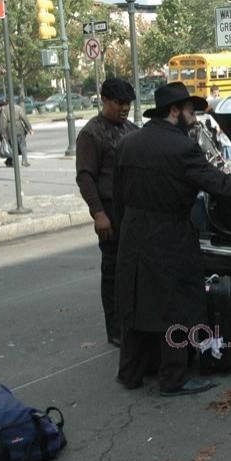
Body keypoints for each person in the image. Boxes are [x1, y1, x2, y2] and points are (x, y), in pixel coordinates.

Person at [113, 82, 231, 396]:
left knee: (136, 301)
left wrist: (126, 229)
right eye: (190, 111)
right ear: (174, 111)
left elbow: (118, 196)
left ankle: (130, 373)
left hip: (134, 233)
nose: (194, 117)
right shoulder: (182, 148)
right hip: (169, 233)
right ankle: (172, 378)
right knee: (174, 305)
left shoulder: (127, 143)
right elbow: (221, 185)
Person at [75, 78, 139, 347]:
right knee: (113, 271)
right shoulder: (92, 134)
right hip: (110, 211)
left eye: (127, 104)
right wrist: (98, 213)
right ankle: (115, 329)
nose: (123, 108)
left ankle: (134, 323)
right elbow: (85, 177)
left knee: (134, 270)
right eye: (118, 103)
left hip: (133, 210)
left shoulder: (132, 129)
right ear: (104, 101)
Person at [0, 98, 34, 167]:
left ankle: (14, 162)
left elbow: (3, 123)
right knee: (23, 146)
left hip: (10, 129)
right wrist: (30, 128)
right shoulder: (18, 108)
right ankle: (24, 161)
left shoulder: (4, 111)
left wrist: (3, 133)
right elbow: (24, 118)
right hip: (19, 128)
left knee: (13, 147)